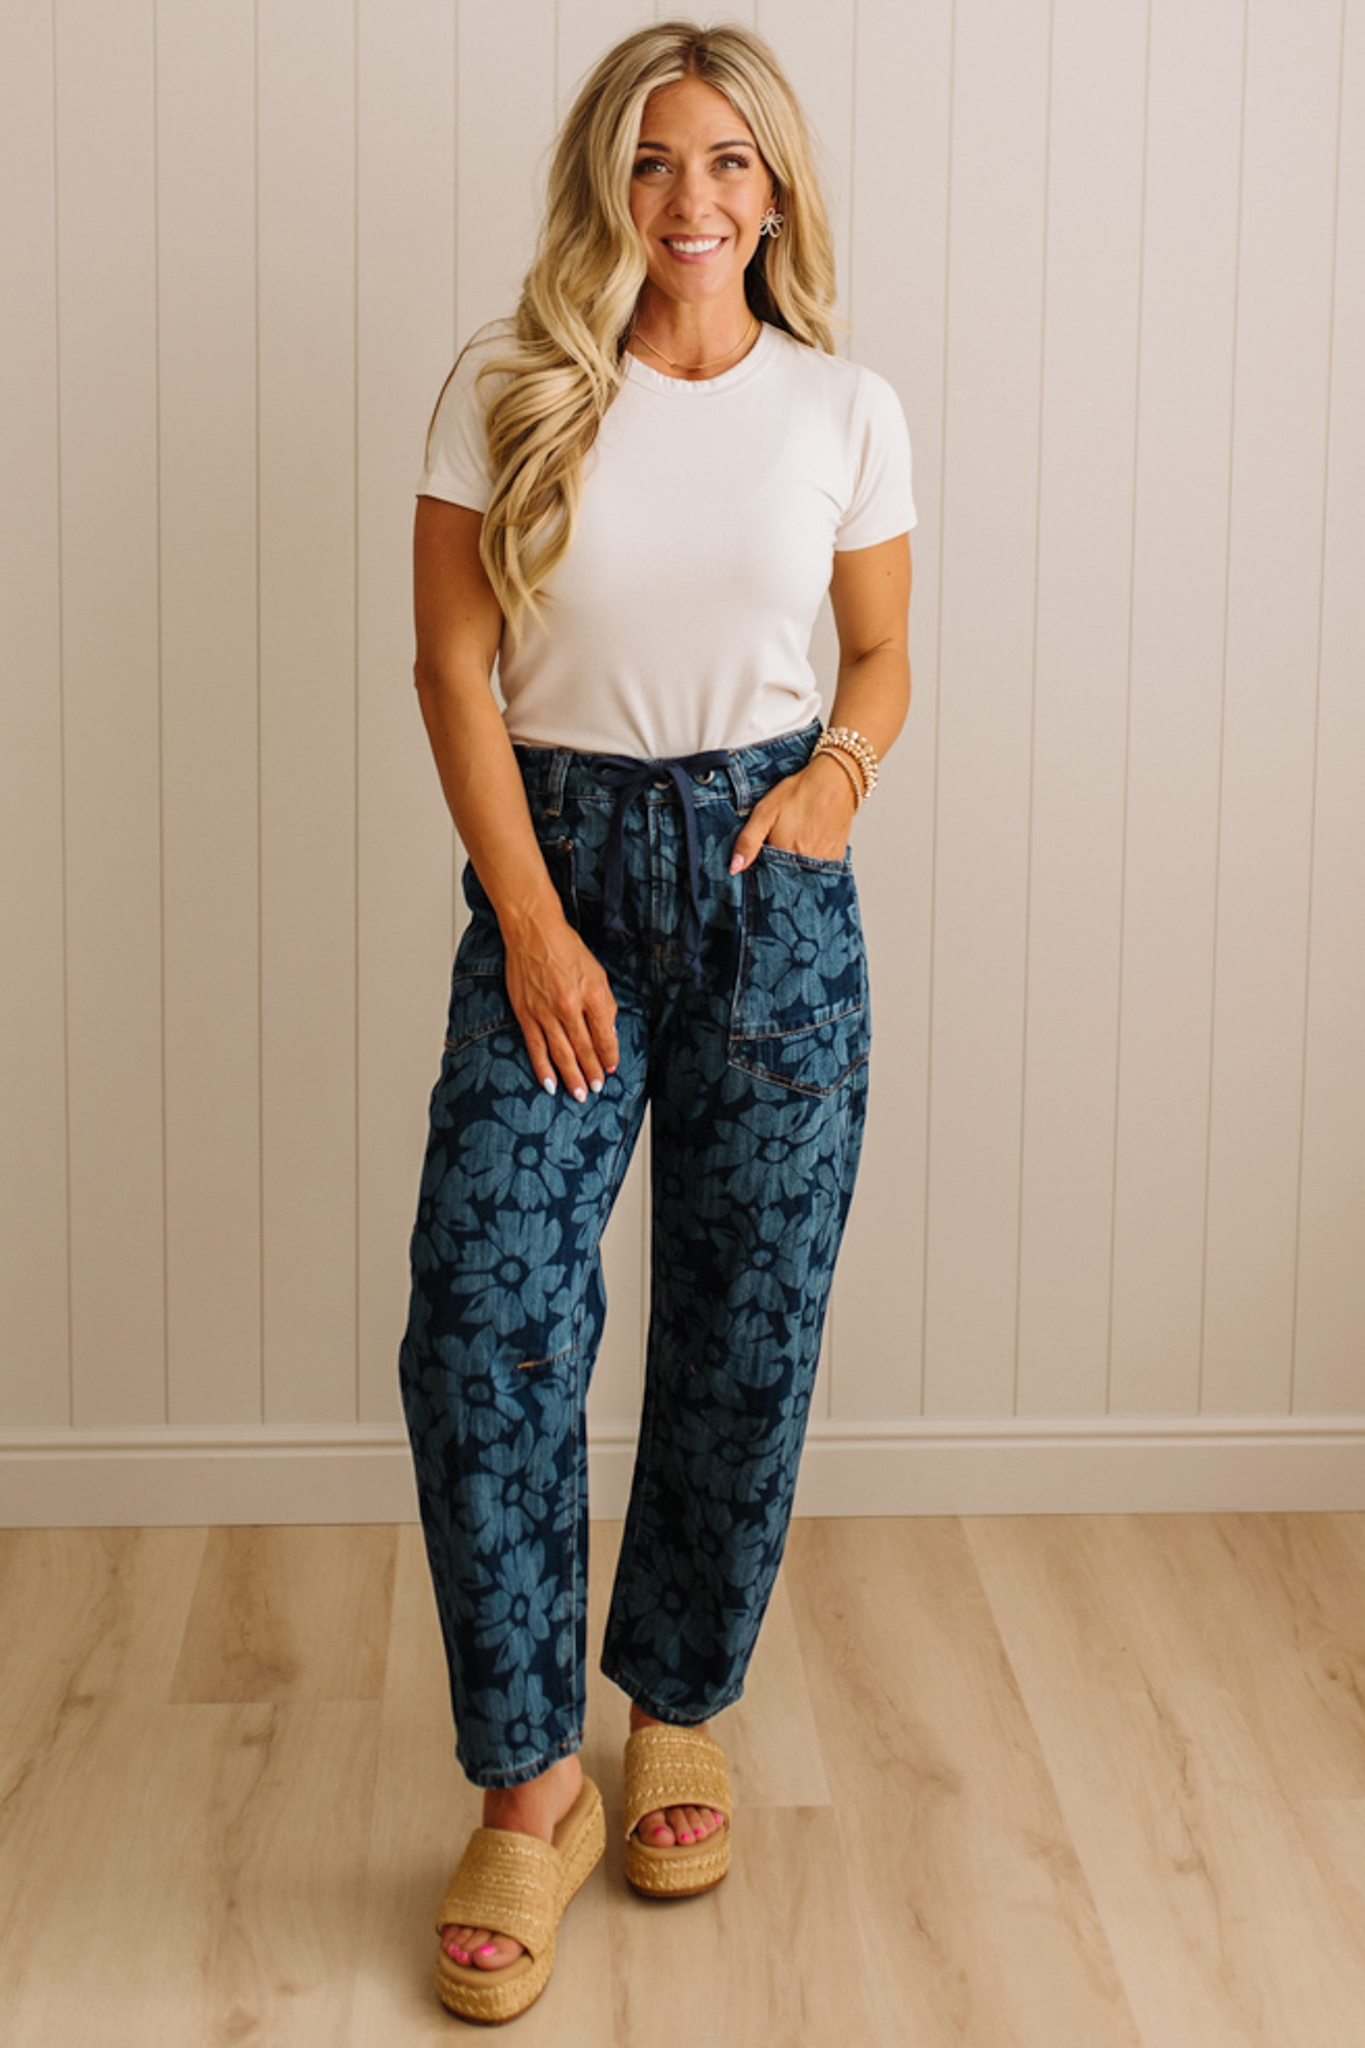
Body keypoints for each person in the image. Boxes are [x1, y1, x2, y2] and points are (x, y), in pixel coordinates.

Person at [399, 17, 914, 2024]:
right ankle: (528, 1786)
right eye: (649, 164)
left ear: (773, 188)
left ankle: (675, 1704)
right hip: (559, 885)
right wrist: (529, 919)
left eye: (726, 164)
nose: (689, 201)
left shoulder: (846, 407)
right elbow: (452, 669)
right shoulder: (508, 388)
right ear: (601, 186)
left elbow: (874, 656)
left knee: (745, 1314)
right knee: (485, 1315)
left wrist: (835, 788)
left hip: (768, 893)